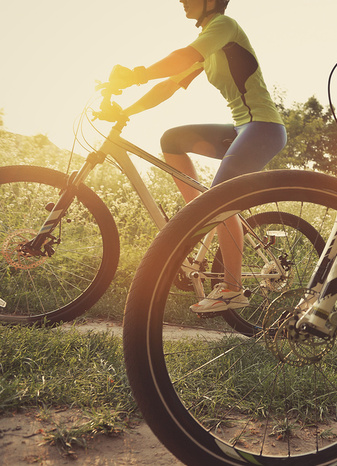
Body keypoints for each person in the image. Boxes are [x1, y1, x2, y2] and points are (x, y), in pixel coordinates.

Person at [107, 0, 287, 315]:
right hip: (242, 127)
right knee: (172, 140)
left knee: (219, 199)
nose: (181, 0)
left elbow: (182, 58)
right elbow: (169, 85)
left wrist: (136, 75)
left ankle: (232, 289)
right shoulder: (210, 41)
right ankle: (197, 218)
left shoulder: (223, 26)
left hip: (264, 128)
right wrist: (126, 111)